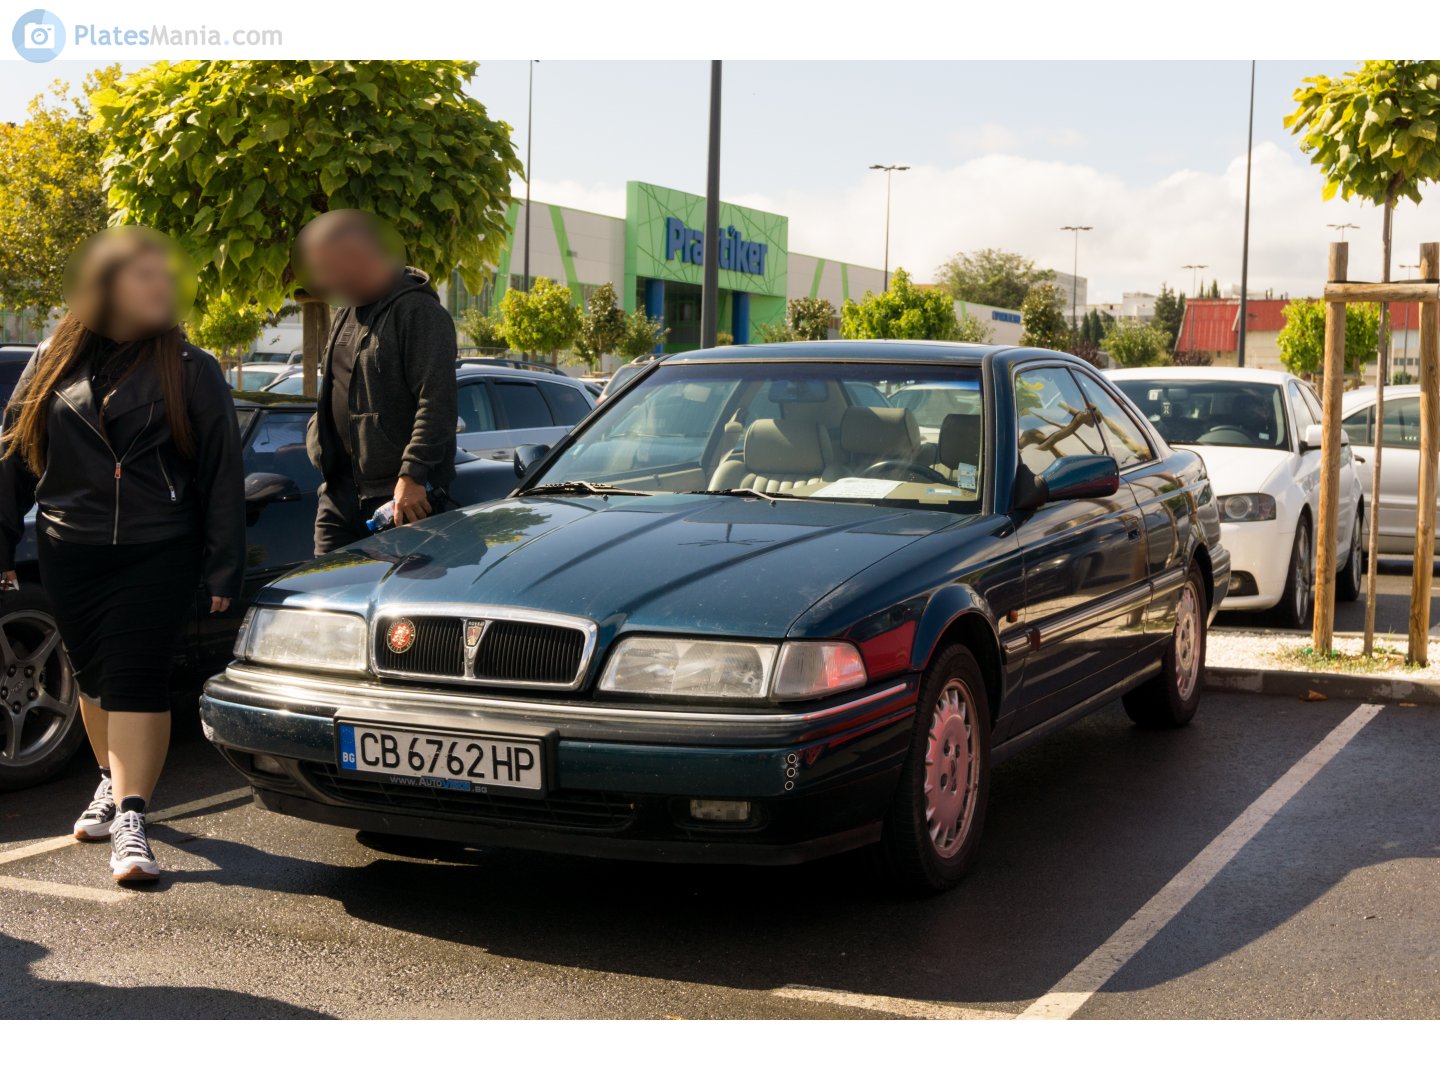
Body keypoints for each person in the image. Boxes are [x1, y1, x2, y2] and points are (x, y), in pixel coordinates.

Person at [0, 227, 244, 885]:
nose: (161, 287)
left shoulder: (191, 368)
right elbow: (15, 452)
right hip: (68, 546)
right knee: (94, 678)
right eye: (145, 276)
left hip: (157, 547)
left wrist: (225, 563)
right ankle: (110, 783)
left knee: (136, 678)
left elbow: (223, 472)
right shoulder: (52, 357)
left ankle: (133, 820)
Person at [297, 210, 458, 554]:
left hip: (400, 501)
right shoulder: (346, 312)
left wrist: (412, 477)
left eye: (330, 266)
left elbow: (437, 401)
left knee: (396, 606)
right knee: (323, 599)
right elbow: (335, 387)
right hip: (339, 496)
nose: (324, 277)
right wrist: (317, 436)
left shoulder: (420, 313)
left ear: (362, 257)